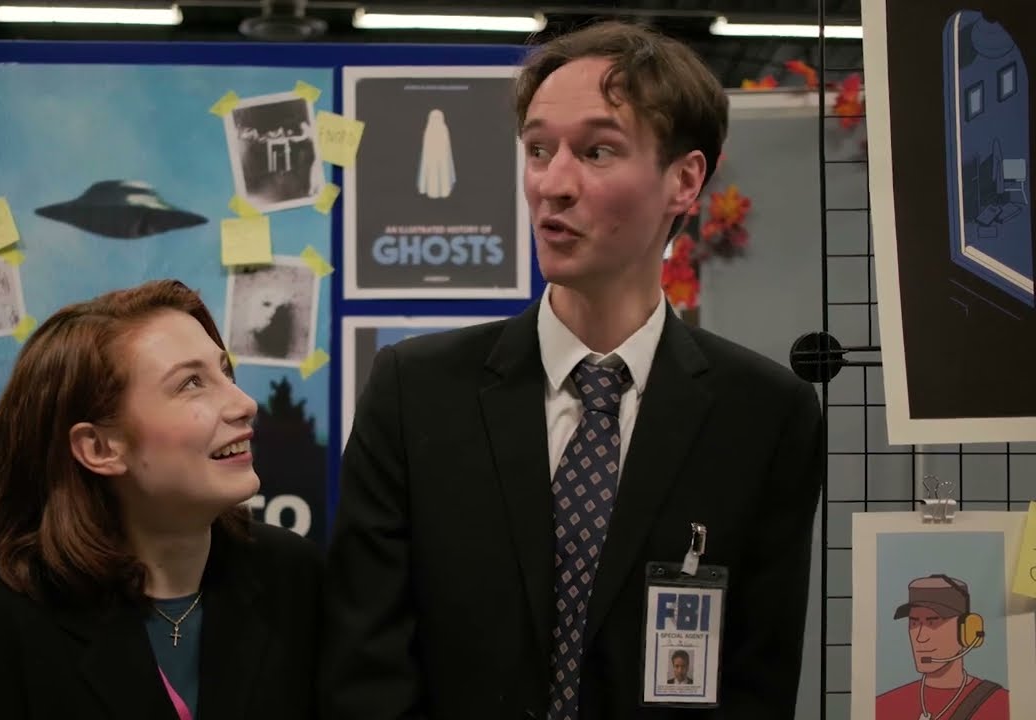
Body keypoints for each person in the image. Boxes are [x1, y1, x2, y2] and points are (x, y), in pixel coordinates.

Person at [319, 19, 825, 720]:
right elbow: (365, 672)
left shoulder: (763, 417)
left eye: (596, 151)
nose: (552, 184)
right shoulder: (416, 394)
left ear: (684, 180)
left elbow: (755, 682)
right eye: (537, 150)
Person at [0, 279, 321, 720]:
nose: (244, 403)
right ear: (99, 448)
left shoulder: (293, 577)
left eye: (225, 373)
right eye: (192, 383)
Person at [875, 575, 1008, 719]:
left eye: (932, 622)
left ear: (967, 631)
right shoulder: (883, 706)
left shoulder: (1002, 704)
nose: (920, 637)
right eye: (914, 623)